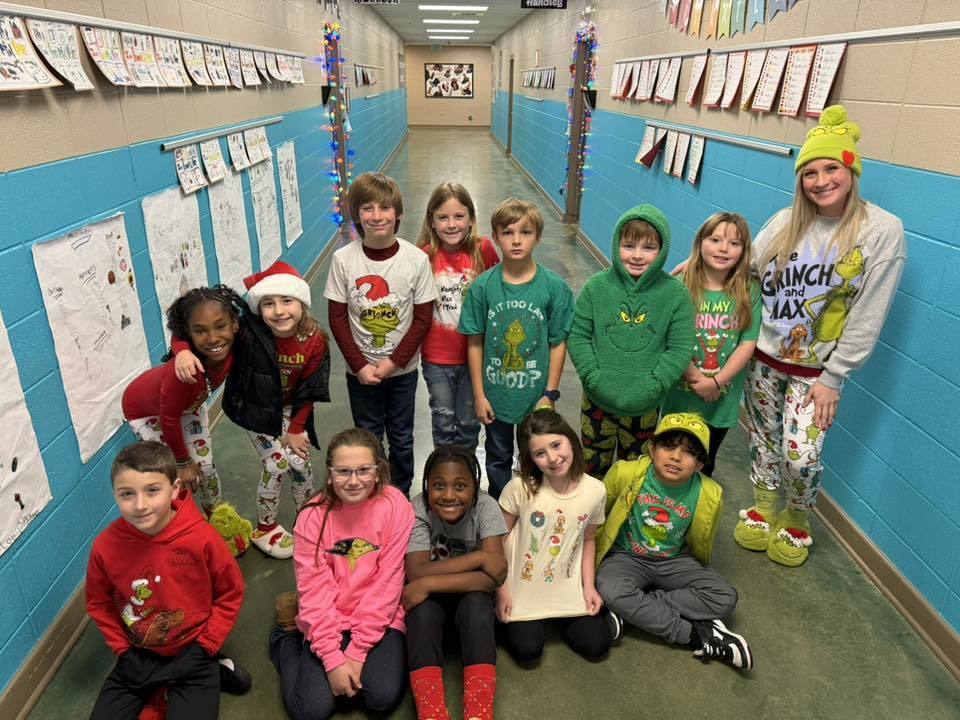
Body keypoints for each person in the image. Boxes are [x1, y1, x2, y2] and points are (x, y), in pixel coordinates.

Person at [734, 105, 905, 567]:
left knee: (801, 454)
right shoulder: (785, 221)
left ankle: (797, 516)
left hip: (817, 372)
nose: (820, 181)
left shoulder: (880, 231)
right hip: (764, 358)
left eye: (831, 168)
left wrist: (835, 376)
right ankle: (763, 507)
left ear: (852, 170)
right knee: (763, 437)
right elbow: (744, 269)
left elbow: (869, 313)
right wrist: (697, 266)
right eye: (809, 172)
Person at [175, 262, 331, 560]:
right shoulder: (248, 330)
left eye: (287, 300)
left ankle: (307, 521)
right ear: (258, 308)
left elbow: (311, 388)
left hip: (289, 410)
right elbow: (186, 322)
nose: (279, 311)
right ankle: (265, 527)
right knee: (277, 463)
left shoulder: (315, 339)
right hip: (254, 407)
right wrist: (182, 349)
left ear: (302, 303)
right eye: (268, 303)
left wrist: (296, 429)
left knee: (301, 464)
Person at [86, 441, 246, 719]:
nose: (140, 505)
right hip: (139, 655)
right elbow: (99, 603)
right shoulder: (104, 547)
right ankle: (161, 687)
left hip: (194, 651)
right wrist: (123, 651)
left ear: (174, 489)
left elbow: (230, 593)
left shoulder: (203, 538)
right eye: (127, 494)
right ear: (114, 494)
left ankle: (214, 667)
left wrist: (206, 646)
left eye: (152, 490)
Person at [269, 428, 414, 720]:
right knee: (312, 710)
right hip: (329, 615)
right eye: (343, 471)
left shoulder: (396, 505)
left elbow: (388, 584)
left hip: (379, 617)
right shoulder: (311, 517)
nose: (354, 480)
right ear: (329, 473)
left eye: (364, 470)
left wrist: (357, 651)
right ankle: (285, 639)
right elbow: (315, 591)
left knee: (381, 698)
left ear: (378, 471)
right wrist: (332, 659)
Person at [595, 413, 752, 670]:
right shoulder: (625, 473)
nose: (676, 457)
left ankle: (632, 610)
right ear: (652, 449)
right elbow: (597, 516)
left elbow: (703, 539)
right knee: (611, 589)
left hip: (675, 559)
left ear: (700, 464)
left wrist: (636, 604)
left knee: (725, 597)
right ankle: (696, 634)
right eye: (668, 446)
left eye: (689, 452)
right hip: (626, 556)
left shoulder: (709, 492)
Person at [324, 172, 437, 495]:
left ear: (398, 213)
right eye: (367, 208)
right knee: (368, 436)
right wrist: (360, 365)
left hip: (402, 371)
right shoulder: (343, 259)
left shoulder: (415, 260)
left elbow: (422, 319)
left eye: (385, 208)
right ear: (356, 214)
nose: (376, 216)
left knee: (402, 437)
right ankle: (372, 492)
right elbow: (337, 318)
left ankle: (399, 494)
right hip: (360, 373)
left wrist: (392, 363)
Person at [458, 199, 575, 499]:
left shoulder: (553, 287)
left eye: (526, 232)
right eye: (508, 232)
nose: (517, 240)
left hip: (535, 397)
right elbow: (475, 342)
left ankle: (534, 506)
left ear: (538, 236)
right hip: (496, 396)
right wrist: (479, 395)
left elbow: (557, 342)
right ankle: (501, 507)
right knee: (497, 456)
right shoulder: (483, 287)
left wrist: (550, 393)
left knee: (536, 455)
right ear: (495, 237)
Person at [568, 204, 695, 478]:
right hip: (597, 400)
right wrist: (592, 376)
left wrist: (656, 383)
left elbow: (680, 347)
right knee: (592, 469)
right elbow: (578, 335)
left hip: (645, 404)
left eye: (648, 248)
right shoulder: (596, 287)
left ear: (662, 249)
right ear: (617, 245)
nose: (637, 255)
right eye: (628, 246)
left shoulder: (676, 294)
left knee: (634, 473)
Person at [496, 409, 609, 663]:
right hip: (521, 589)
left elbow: (588, 540)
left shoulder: (596, 490)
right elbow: (497, 540)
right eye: (540, 453)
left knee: (597, 645)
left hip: (566, 587)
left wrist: (589, 587)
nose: (552, 458)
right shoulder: (520, 487)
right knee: (527, 650)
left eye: (556, 445)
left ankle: (568, 614)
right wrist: (501, 592)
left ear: (571, 439)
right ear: (531, 458)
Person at [404, 445, 507, 720]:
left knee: (477, 607)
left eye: (460, 486)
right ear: (427, 486)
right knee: (421, 613)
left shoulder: (486, 506)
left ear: (475, 487)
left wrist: (428, 583)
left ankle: (479, 713)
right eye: (439, 485)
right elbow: (416, 572)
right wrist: (480, 558)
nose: (449, 495)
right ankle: (432, 713)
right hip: (433, 604)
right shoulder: (418, 509)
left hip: (470, 598)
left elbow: (495, 576)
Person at [123, 285, 243, 517]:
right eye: (200, 331)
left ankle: (218, 516)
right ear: (189, 334)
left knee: (205, 468)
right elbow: (168, 420)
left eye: (220, 326)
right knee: (174, 478)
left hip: (188, 405)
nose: (213, 338)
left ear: (235, 325)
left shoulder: (234, 346)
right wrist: (182, 462)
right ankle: (184, 524)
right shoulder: (183, 373)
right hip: (148, 413)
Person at [661, 212, 761, 477]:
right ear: (700, 242)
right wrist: (697, 379)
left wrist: (716, 382)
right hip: (679, 395)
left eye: (734, 243)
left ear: (744, 250)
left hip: (720, 401)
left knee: (704, 462)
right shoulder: (680, 285)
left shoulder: (749, 290)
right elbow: (670, 338)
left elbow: (747, 344)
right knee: (669, 459)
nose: (723, 248)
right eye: (715, 240)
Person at [417, 182, 500, 450]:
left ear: (471, 218)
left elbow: (498, 295)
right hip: (437, 357)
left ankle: (465, 467)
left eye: (459, 216)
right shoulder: (424, 256)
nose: (451, 224)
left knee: (468, 421)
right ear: (432, 221)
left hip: (474, 356)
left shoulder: (483, 250)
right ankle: (443, 468)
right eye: (443, 217)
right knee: (443, 418)